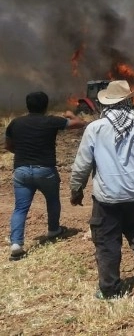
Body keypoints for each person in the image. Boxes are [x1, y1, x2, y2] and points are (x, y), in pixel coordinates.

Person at [69, 80, 134, 299]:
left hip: (107, 197)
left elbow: (82, 164)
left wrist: (76, 189)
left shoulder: (95, 128)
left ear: (106, 104)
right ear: (129, 100)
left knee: (107, 240)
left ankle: (109, 289)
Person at [3, 91, 86, 261]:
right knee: (53, 200)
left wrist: (23, 153)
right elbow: (80, 123)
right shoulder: (51, 121)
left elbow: (8, 146)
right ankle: (53, 229)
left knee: (20, 208)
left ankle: (16, 244)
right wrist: (70, 114)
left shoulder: (15, 123)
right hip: (45, 170)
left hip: (22, 171)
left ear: (28, 105)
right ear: (45, 106)